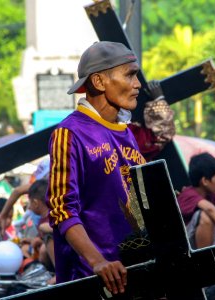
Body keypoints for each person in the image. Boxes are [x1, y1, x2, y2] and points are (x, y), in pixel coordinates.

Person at [47, 41, 145, 295]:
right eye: (130, 74)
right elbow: (62, 210)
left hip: (135, 274)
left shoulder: (126, 132)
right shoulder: (69, 133)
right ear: (100, 82)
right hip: (91, 282)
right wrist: (98, 261)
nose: (138, 84)